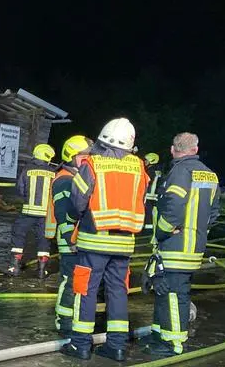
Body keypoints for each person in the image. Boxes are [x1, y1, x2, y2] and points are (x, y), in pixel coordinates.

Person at [61, 118, 149, 361]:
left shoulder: (93, 164)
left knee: (85, 290)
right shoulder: (139, 167)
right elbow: (142, 201)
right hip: (125, 244)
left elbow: (77, 201)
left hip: (94, 240)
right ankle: (117, 346)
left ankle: (80, 345)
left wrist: (73, 219)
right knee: (118, 292)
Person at [143, 133, 219, 357]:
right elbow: (214, 212)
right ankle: (159, 334)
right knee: (167, 292)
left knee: (173, 295)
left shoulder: (179, 171)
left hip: (175, 245)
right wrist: (196, 230)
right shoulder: (210, 175)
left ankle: (172, 345)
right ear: (195, 149)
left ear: (172, 149)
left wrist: (162, 231)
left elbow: (173, 207)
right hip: (194, 246)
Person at [44, 134, 92, 336]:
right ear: (72, 156)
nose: (88, 160)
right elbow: (63, 215)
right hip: (70, 241)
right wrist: (71, 240)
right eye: (84, 156)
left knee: (78, 281)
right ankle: (63, 322)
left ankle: (72, 318)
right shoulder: (64, 180)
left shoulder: (75, 177)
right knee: (69, 280)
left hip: (76, 240)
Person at [4, 143, 56, 278]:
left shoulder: (26, 170)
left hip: (28, 212)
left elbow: (20, 189)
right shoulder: (54, 172)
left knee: (18, 235)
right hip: (46, 214)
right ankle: (41, 271)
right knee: (44, 240)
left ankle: (14, 268)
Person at [143, 152, 164, 232]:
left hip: (148, 195)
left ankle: (147, 230)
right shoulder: (158, 171)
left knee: (148, 213)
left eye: (146, 160)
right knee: (153, 214)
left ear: (152, 161)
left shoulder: (149, 171)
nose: (145, 162)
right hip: (156, 196)